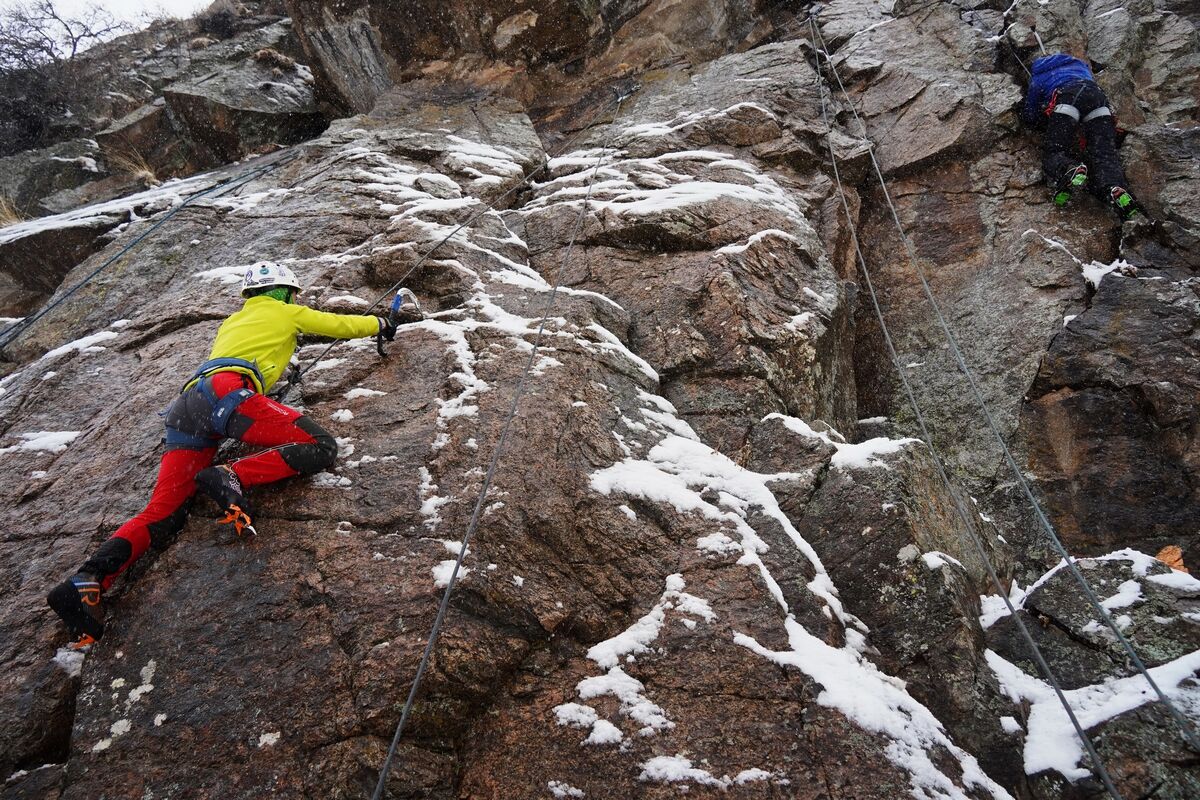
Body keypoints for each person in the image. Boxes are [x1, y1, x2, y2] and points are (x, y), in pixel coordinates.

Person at [46, 262, 422, 649]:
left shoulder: (234, 322)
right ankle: (234, 475)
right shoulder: (284, 310)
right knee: (320, 446)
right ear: (287, 293)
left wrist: (272, 376)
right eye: (294, 296)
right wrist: (381, 324)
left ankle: (87, 579)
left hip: (189, 406)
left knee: (164, 512)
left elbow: (250, 354)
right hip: (228, 393)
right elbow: (338, 325)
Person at [1021, 52, 1144, 220]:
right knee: (1104, 154)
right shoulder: (1079, 65)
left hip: (1068, 98)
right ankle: (1115, 189)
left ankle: (1069, 169)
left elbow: (1030, 114)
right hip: (1098, 100)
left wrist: (1035, 118)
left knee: (1055, 150)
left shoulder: (1039, 75)